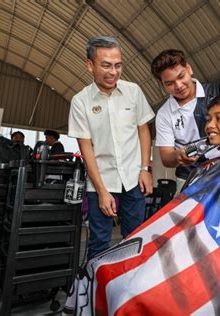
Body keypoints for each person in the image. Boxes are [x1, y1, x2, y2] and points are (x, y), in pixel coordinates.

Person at [64, 93, 220, 315]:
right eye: (208, 118)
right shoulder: (204, 168)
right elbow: (182, 216)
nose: (209, 125)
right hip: (184, 249)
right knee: (99, 268)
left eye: (219, 118)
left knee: (135, 294)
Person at [68, 36, 155, 260]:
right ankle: (96, 290)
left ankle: (130, 287)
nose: (113, 72)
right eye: (106, 65)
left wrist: (145, 168)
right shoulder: (81, 101)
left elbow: (143, 130)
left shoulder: (133, 91)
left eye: (118, 65)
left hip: (133, 177)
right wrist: (101, 191)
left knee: (134, 238)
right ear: (90, 65)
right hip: (101, 179)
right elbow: (86, 148)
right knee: (99, 241)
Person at [151, 49, 220, 192]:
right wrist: (178, 156)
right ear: (162, 84)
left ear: (189, 69)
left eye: (181, 76)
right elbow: (166, 157)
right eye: (169, 83)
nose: (179, 86)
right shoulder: (163, 114)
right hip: (189, 177)